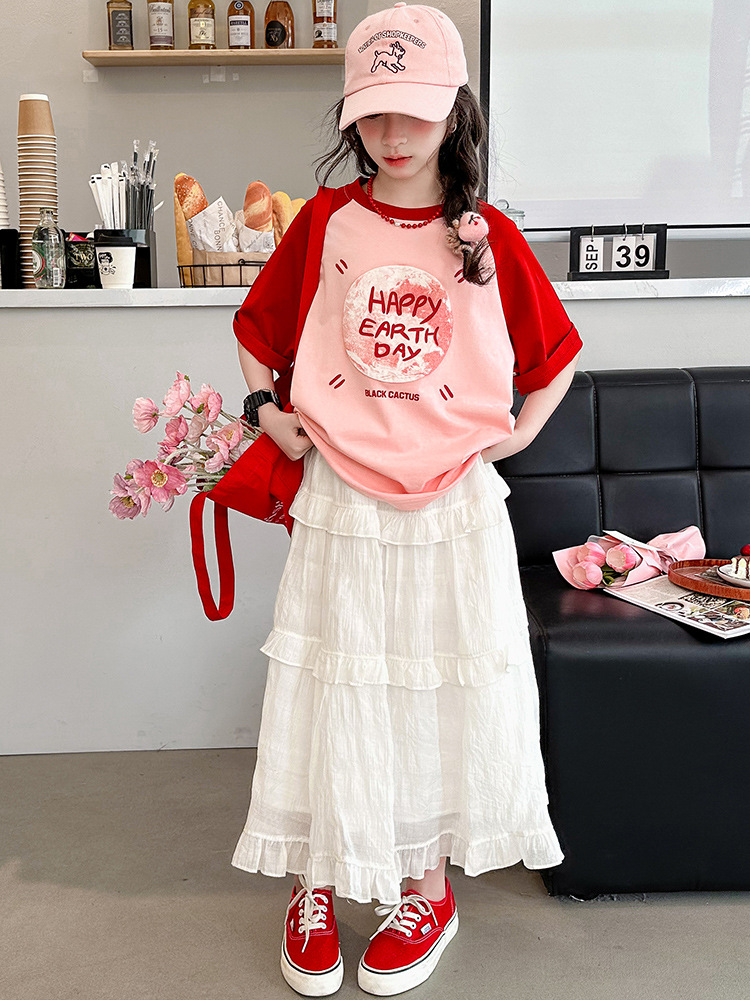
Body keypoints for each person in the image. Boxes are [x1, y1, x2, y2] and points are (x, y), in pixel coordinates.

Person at [231, 3, 584, 995]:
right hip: (343, 491)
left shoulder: (487, 235)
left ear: (453, 112)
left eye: (415, 112)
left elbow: (556, 354)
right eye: (376, 113)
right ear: (353, 117)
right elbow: (258, 330)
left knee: (434, 687)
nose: (394, 134)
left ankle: (426, 887)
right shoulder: (325, 223)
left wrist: (516, 434)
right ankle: (315, 877)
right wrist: (268, 412)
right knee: (335, 681)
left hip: (452, 506)